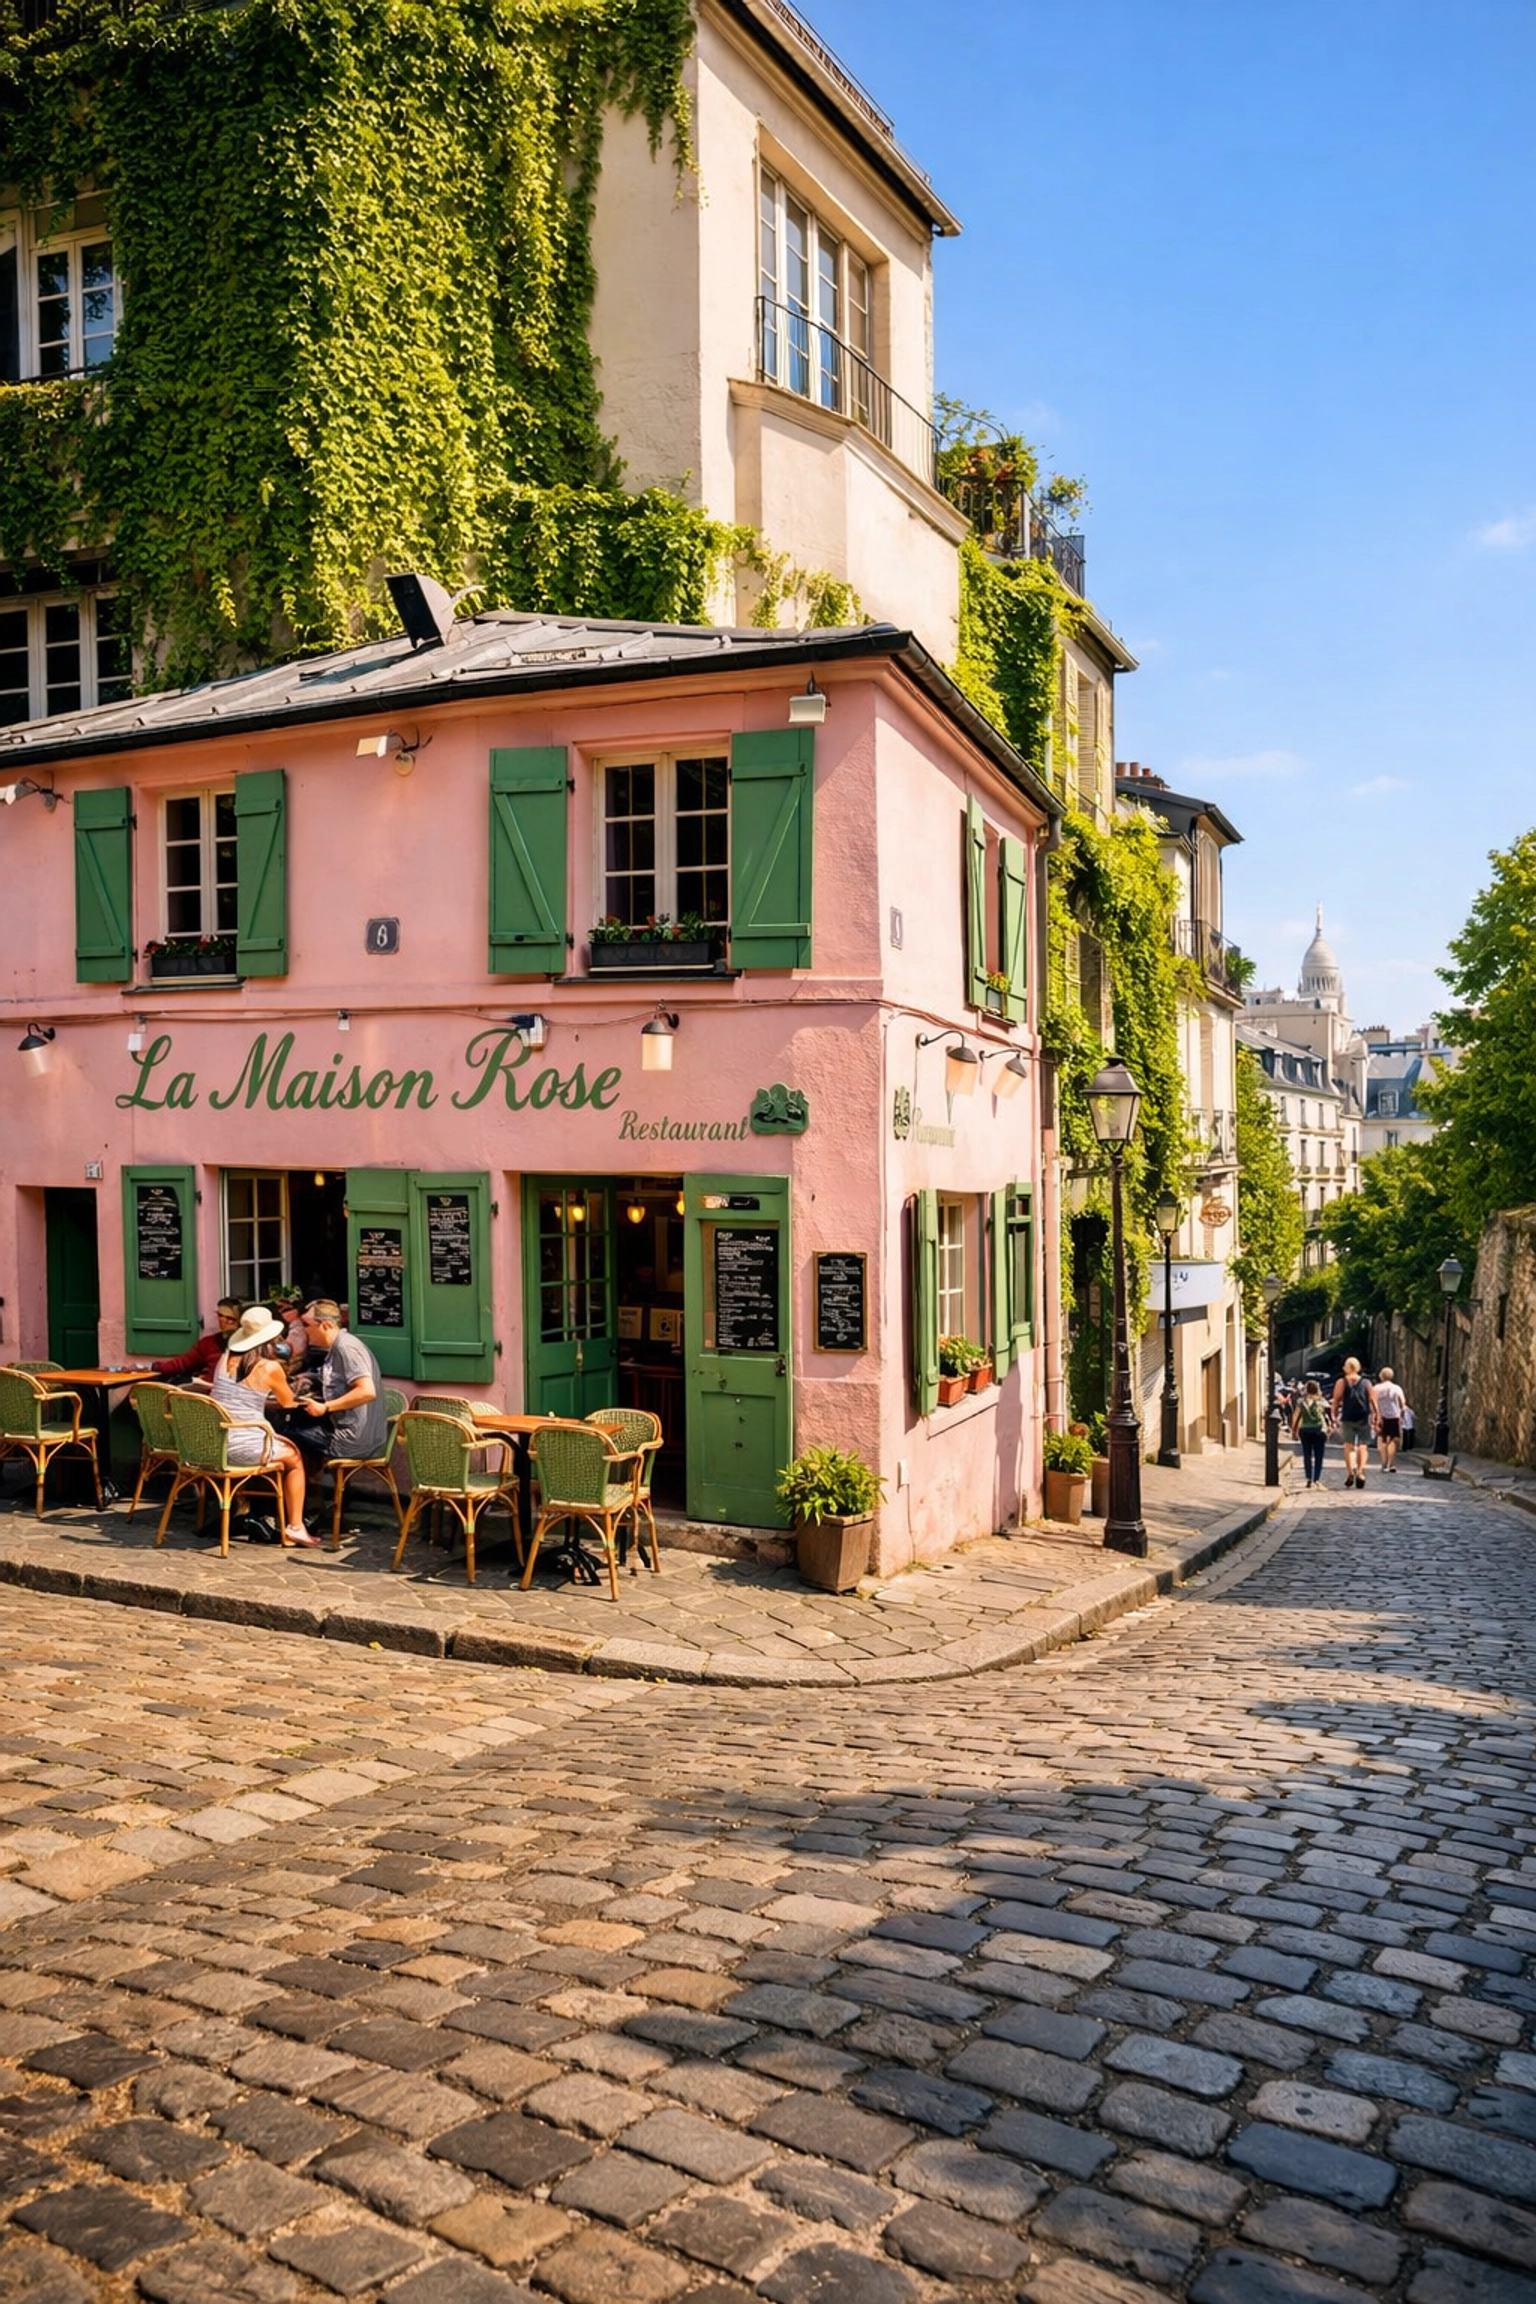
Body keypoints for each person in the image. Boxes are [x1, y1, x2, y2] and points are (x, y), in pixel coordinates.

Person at [209, 1305, 315, 1547]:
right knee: (295, 1457)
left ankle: (262, 1512)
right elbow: (288, 1402)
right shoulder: (269, 1367)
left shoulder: (224, 1359)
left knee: (280, 1445)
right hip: (247, 1446)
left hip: (217, 1444)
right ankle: (295, 1526)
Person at [288, 1299, 385, 1478]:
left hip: (353, 1439)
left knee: (286, 1434)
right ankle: (318, 1488)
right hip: (349, 1430)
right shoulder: (337, 1346)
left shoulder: (346, 1348)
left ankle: (298, 1492)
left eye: (307, 1325)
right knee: (298, 1422)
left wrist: (326, 1407)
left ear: (325, 1325)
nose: (304, 1331)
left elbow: (367, 1391)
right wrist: (308, 1377)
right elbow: (336, 1377)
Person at [146, 1297, 244, 1383]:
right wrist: (152, 1367)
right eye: (220, 1316)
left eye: (230, 1318)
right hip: (206, 1390)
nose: (223, 1321)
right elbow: (182, 1363)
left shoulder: (248, 1347)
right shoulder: (208, 1343)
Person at [1331, 1357, 1376, 1489]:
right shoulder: (1366, 1382)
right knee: (1363, 1446)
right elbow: (1373, 1400)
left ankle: (1351, 1471)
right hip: (1363, 1417)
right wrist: (1376, 1415)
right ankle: (1361, 1472)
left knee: (1348, 1446)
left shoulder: (1342, 1382)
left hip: (1348, 1417)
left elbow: (1336, 1400)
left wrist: (1334, 1415)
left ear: (1346, 1368)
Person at [1292, 1380, 1329, 1488]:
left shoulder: (1301, 1401)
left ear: (1306, 1390)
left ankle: (1308, 1478)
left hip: (1305, 1430)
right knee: (1319, 1456)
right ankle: (1316, 1479)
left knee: (1307, 1455)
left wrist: (1294, 1431)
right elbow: (1327, 1416)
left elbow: (1296, 1417)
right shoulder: (1322, 1401)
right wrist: (1329, 1428)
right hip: (1319, 1430)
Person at [1373, 1365, 1409, 1473]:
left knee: (1382, 1439)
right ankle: (1391, 1463)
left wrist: (1374, 1415)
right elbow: (1402, 1402)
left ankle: (1384, 1463)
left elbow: (1372, 1402)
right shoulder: (1396, 1388)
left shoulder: (1376, 1388)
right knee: (1393, 1440)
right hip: (1394, 1415)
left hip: (1380, 1416)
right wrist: (1402, 1414)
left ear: (1381, 1376)